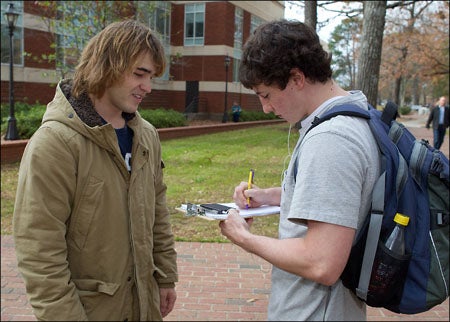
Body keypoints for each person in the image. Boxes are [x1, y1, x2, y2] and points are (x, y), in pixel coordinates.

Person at [13, 20, 178, 321]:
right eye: (139, 74)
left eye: (151, 76)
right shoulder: (54, 143)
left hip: (144, 305)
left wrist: (165, 277)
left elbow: (158, 211)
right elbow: (40, 252)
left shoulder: (147, 136)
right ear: (107, 66)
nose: (148, 87)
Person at [219, 19, 380, 321]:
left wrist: (245, 238)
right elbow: (340, 199)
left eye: (265, 95)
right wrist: (271, 196)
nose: (266, 108)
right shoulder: (355, 114)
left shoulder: (332, 139)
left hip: (312, 313)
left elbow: (322, 263)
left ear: (296, 78)